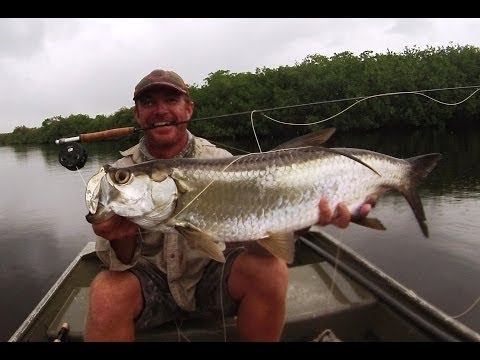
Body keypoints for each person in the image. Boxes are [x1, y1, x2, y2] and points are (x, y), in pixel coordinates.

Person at [84, 69, 371, 342]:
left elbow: (250, 245)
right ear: (137, 114)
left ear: (189, 109)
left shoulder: (220, 159)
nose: (160, 111)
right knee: (105, 292)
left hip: (213, 276)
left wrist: (302, 218)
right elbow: (114, 264)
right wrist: (119, 239)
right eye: (148, 103)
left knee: (271, 270)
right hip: (150, 283)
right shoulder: (120, 173)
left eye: (171, 100)